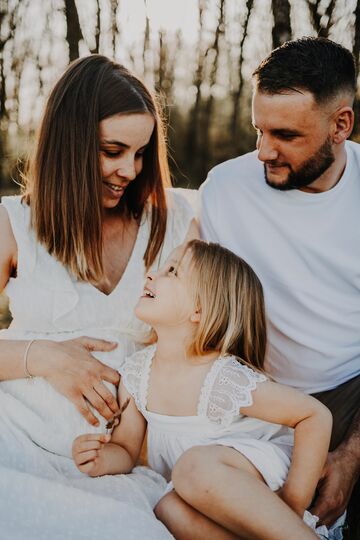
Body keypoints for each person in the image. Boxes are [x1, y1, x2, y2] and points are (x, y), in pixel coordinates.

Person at [0, 54, 196, 539]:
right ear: (68, 142)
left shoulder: (174, 227)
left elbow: (203, 345)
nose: (129, 169)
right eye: (113, 150)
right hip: (14, 444)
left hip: (123, 461)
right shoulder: (12, 226)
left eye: (142, 152)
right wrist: (42, 356)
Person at [198, 37, 360, 537]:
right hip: (256, 397)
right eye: (259, 130)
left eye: (286, 135)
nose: (264, 151)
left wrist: (351, 454)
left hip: (351, 391)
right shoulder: (225, 189)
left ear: (340, 125)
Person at [73, 239, 332, 540]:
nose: (152, 274)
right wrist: (101, 458)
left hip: (258, 480)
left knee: (193, 466)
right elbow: (126, 449)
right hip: (199, 493)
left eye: (172, 271)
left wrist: (292, 504)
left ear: (199, 309)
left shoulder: (222, 379)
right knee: (168, 509)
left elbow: (314, 416)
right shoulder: (136, 373)